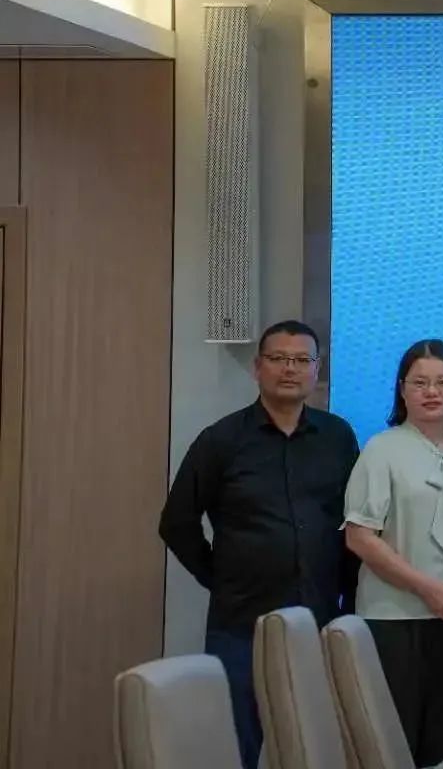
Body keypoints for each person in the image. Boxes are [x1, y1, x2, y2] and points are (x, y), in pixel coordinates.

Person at [159, 321, 359, 767]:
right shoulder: (222, 440)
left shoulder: (338, 437)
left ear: (317, 369)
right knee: (236, 747)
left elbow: (352, 524)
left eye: (301, 360)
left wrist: (348, 597)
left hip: (318, 620)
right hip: (241, 623)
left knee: (315, 748)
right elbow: (176, 522)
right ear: (258, 367)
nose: (290, 369)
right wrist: (221, 578)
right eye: (278, 359)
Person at [343, 340, 443, 768]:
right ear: (402, 389)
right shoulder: (382, 448)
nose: (432, 392)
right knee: (394, 740)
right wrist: (426, 588)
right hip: (393, 616)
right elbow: (360, 537)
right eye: (420, 382)